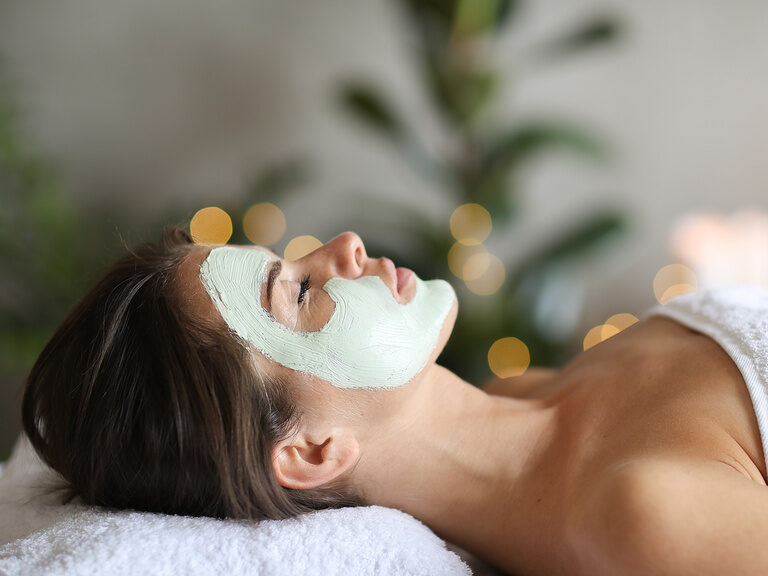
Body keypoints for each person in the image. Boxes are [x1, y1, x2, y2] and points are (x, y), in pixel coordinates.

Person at [22, 227, 768, 575]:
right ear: (311, 450)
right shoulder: (640, 516)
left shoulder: (533, 390)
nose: (343, 245)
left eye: (294, 261)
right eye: (301, 291)